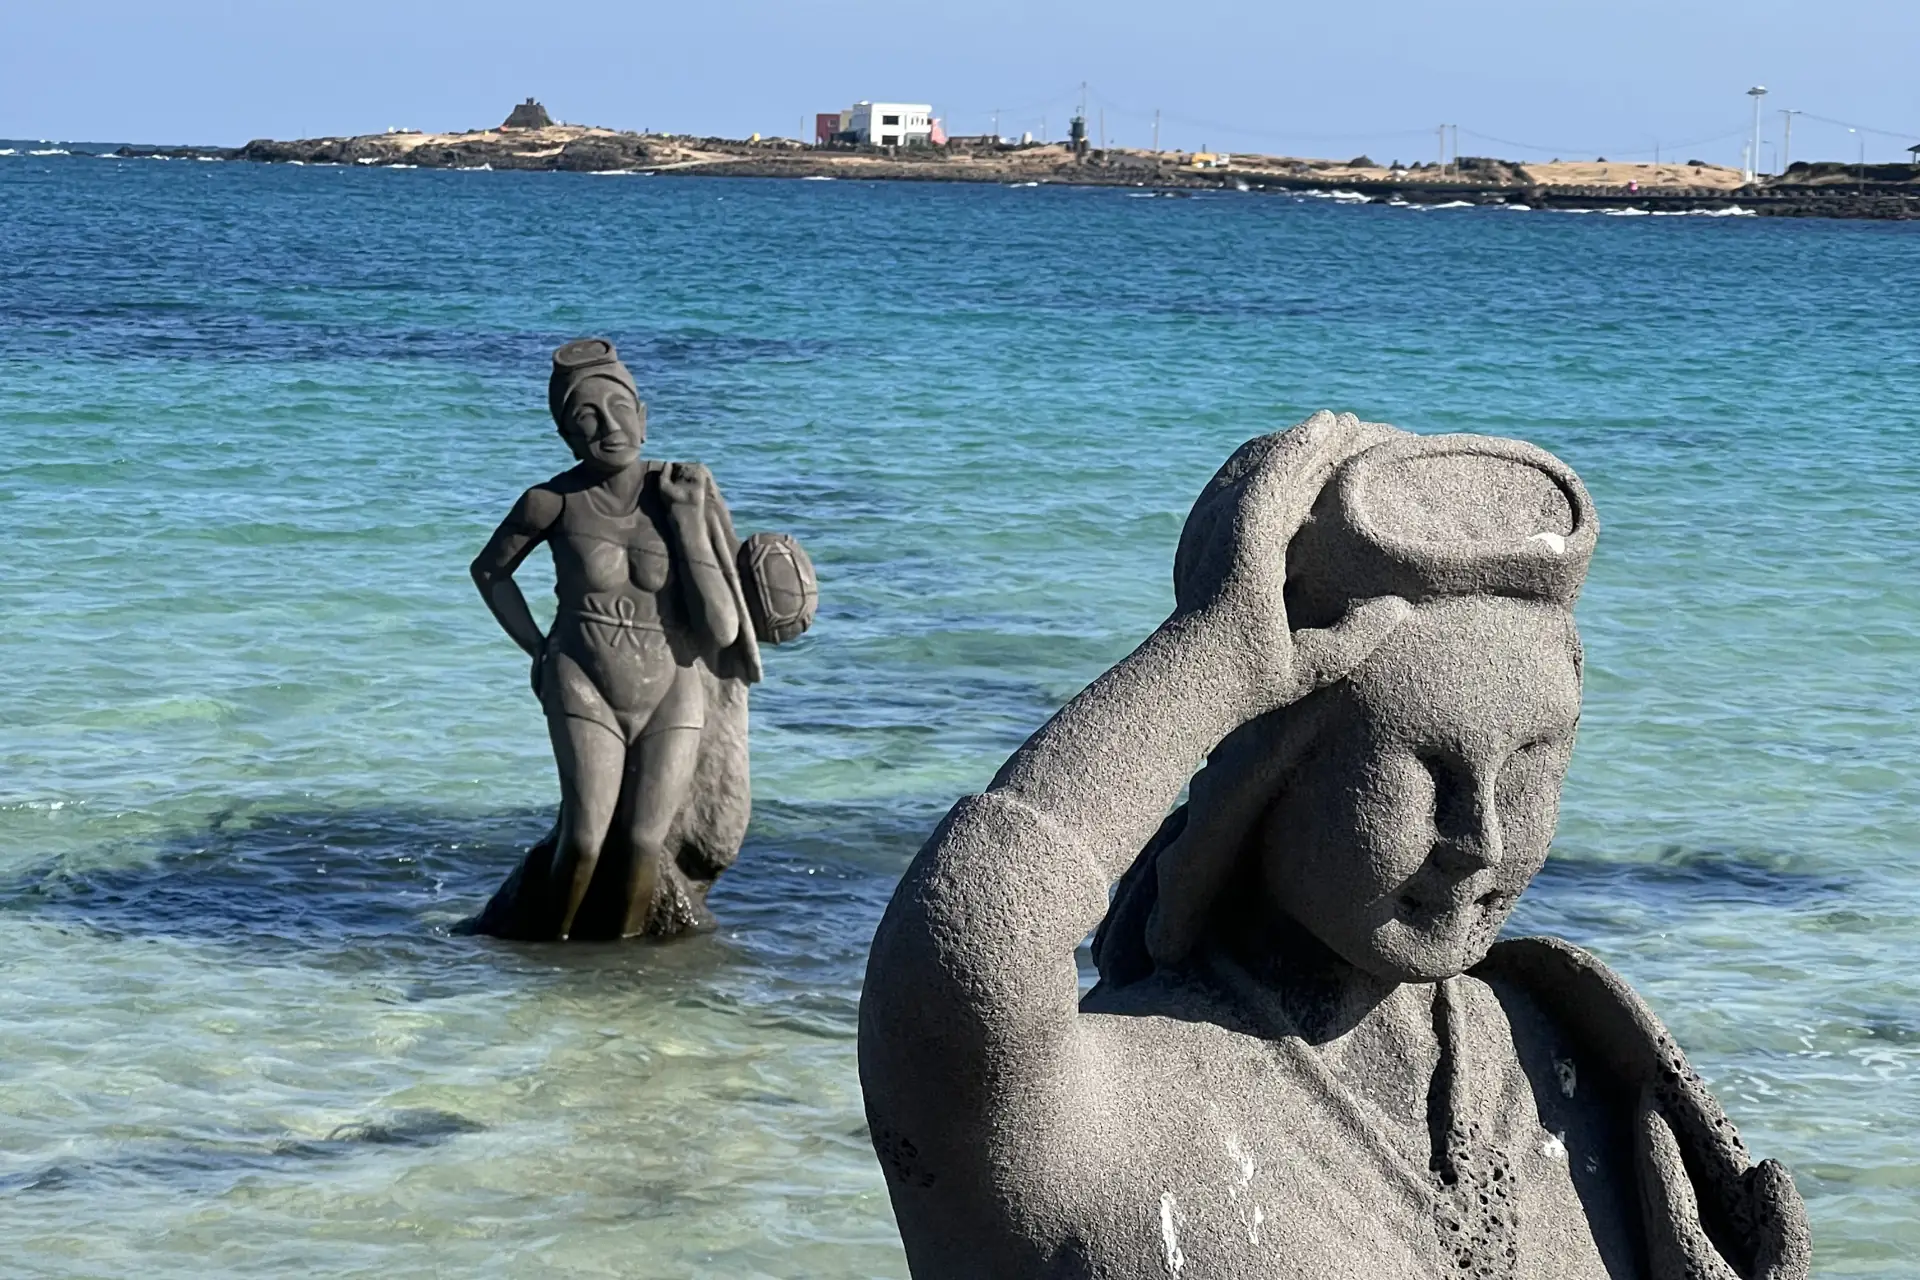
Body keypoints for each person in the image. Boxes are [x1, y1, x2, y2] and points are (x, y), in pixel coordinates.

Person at [859, 413, 1808, 1278]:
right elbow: (970, 941)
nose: (1479, 838)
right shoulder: (1097, 1117)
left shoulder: (1582, 1067)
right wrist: (1212, 664)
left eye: (1530, 768)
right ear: (1272, 772)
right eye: (1425, 769)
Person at [466, 338, 761, 940]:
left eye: (621, 408)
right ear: (566, 434)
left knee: (644, 841)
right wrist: (537, 646)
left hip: (671, 687)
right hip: (582, 677)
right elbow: (490, 572)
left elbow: (723, 628)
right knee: (583, 840)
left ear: (644, 417)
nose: (609, 426)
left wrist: (686, 522)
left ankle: (621, 968)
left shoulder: (681, 492)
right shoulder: (550, 502)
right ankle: (549, 954)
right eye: (586, 415)